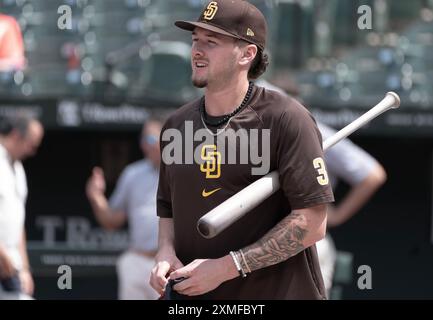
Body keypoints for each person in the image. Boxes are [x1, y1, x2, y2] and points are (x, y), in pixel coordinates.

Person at [150, 0, 334, 300]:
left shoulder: (286, 118)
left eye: (211, 42)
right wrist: (164, 252)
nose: (197, 49)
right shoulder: (176, 124)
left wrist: (226, 268)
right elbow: (168, 209)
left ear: (247, 54)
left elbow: (312, 223)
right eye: (195, 39)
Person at [256, 79, 387, 295]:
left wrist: (334, 215)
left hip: (304, 238)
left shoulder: (310, 128)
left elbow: (372, 174)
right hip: (254, 239)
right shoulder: (242, 132)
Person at [86, 119, 162, 300]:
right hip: (138, 261)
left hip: (171, 265)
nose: (145, 146)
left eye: (151, 139)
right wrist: (96, 197)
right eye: (143, 140)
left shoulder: (187, 171)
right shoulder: (132, 174)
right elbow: (112, 220)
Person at [0, 114, 44, 300]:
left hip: (10, 262)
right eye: (31, 145)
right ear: (17, 135)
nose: (32, 152)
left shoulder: (18, 169)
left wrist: (24, 268)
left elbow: (18, 222)